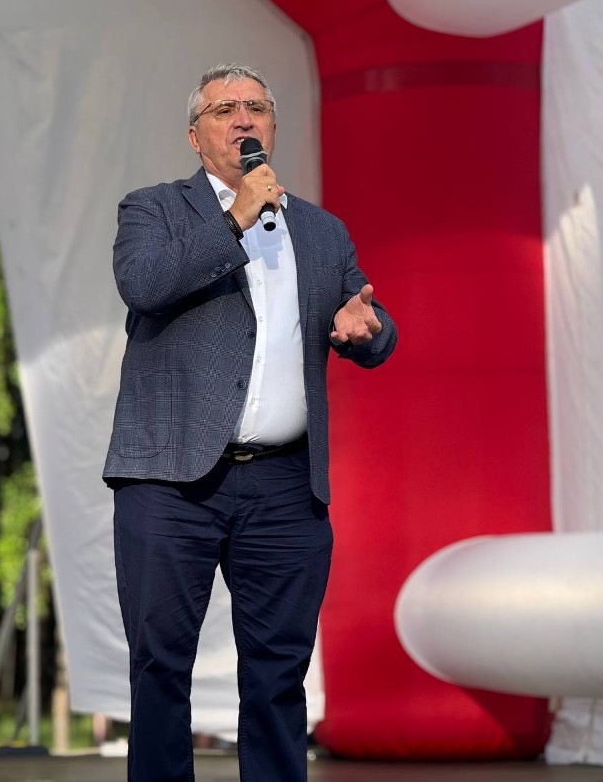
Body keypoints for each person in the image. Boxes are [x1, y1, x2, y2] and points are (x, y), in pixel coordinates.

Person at [103, 62, 397, 782]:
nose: (243, 119)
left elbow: (371, 321)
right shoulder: (153, 209)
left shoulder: (320, 230)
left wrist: (369, 330)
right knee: (160, 666)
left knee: (277, 672)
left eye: (256, 108)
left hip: (284, 487)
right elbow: (145, 284)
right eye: (224, 109)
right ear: (195, 135)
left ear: (272, 125)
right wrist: (236, 215)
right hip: (170, 479)